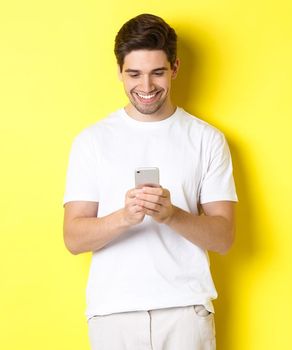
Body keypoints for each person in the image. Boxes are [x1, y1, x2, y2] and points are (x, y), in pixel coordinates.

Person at [63, 13, 237, 350]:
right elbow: (73, 238)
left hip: (186, 311)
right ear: (119, 73)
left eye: (157, 72)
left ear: (175, 68)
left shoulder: (206, 139)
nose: (145, 87)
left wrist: (171, 214)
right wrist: (125, 217)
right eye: (134, 74)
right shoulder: (92, 141)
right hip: (113, 314)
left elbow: (225, 237)